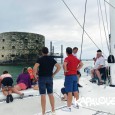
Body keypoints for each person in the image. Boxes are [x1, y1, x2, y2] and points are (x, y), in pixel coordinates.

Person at [33, 47, 61, 115]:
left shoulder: (40, 59)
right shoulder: (52, 59)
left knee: (43, 95)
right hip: (49, 78)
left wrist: (35, 76)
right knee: (51, 94)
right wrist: (53, 74)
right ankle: (53, 110)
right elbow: (59, 67)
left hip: (42, 78)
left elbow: (34, 68)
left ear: (42, 52)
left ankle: (43, 112)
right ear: (47, 52)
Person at [62, 47, 83, 112]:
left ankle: (68, 108)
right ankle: (76, 105)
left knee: (69, 92)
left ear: (66, 52)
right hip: (75, 76)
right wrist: (76, 69)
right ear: (71, 51)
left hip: (69, 76)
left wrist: (65, 71)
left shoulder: (67, 58)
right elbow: (81, 64)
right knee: (75, 91)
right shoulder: (75, 58)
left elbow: (64, 64)